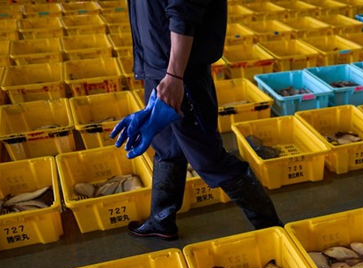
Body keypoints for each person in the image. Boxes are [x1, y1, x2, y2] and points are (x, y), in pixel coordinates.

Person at [119, 0, 283, 240]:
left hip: (178, 75)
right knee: (167, 148)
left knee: (209, 159)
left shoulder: (176, 75)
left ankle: (272, 227)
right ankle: (162, 219)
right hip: (158, 71)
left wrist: (175, 76)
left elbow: (184, 11)